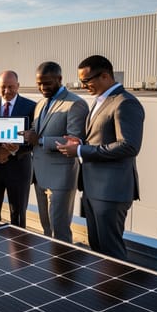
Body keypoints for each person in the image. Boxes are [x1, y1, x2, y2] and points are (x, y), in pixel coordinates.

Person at [57, 55, 144, 260]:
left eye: (86, 81)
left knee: (111, 253)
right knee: (97, 250)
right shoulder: (100, 101)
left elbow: (129, 146)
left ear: (105, 76)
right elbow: (101, 140)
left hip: (111, 192)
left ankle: (115, 292)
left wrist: (80, 152)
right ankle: (101, 291)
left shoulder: (125, 103)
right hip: (93, 189)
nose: (83, 86)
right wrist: (81, 144)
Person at [22, 62, 88, 242]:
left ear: (59, 79)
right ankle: (50, 266)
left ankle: (63, 266)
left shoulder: (76, 104)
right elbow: (36, 132)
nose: (42, 87)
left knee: (60, 230)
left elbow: (75, 141)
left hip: (61, 177)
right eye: (39, 83)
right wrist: (26, 136)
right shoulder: (41, 103)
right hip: (40, 176)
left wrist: (40, 140)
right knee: (46, 228)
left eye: (47, 83)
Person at [0, 70, 36, 226]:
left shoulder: (31, 107)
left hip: (18, 169)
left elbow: (33, 140)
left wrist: (10, 150)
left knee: (18, 217)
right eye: (3, 87)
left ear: (18, 86)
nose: (7, 91)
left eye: (11, 87)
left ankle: (17, 249)